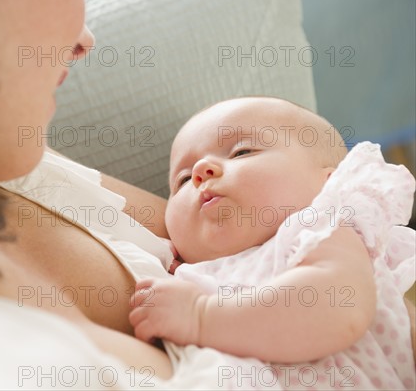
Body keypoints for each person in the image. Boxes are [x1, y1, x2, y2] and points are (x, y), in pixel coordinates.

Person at [0, 0, 415, 388]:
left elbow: (348, 304)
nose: (84, 41)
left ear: (330, 176)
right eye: (183, 177)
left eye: (245, 152)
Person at [129, 97, 416, 389]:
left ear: (329, 184)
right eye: (184, 179)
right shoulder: (183, 275)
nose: (202, 171)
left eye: (241, 152)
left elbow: (338, 308)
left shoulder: (321, 228)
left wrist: (201, 316)